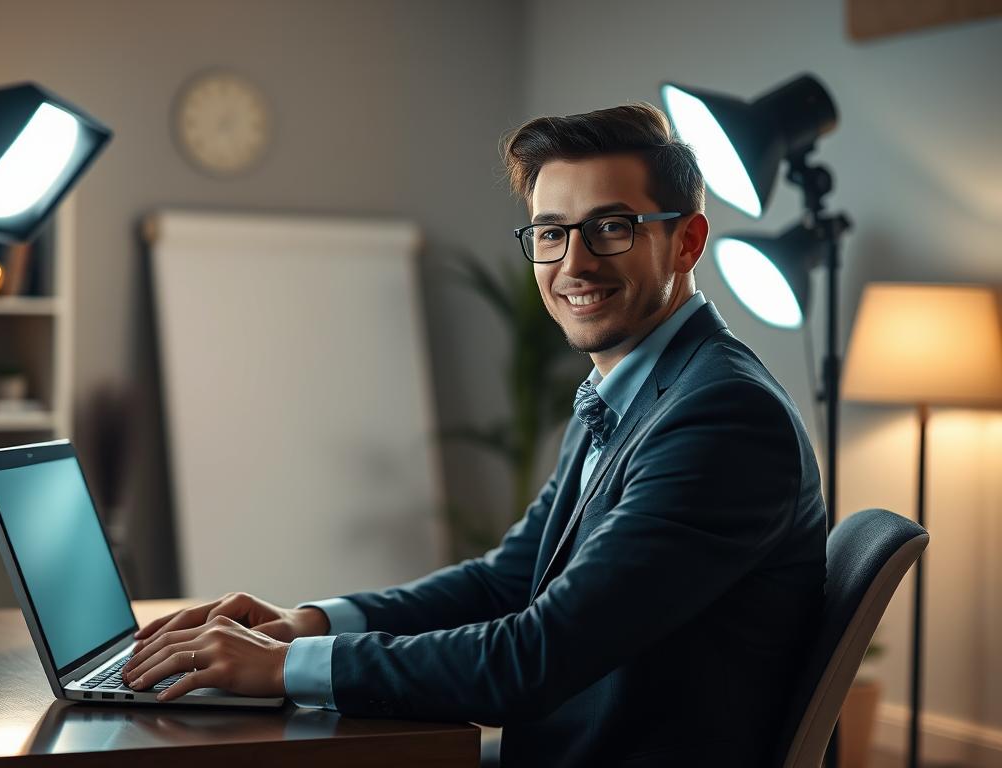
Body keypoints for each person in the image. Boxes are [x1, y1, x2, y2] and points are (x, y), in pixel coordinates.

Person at [120, 103, 827, 766]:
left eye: (612, 227)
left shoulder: (724, 417)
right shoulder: (634, 391)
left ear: (686, 241)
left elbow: (535, 656)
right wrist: (309, 623)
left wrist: (280, 667)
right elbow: (506, 581)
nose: (573, 264)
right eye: (551, 232)